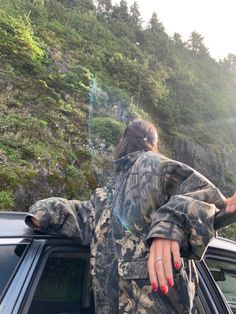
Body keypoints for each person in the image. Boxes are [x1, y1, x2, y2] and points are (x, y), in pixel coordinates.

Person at [25, 119, 228, 314]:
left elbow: (77, 216)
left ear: (123, 143)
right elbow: (208, 198)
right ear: (149, 142)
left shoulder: (104, 195)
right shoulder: (153, 165)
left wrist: (43, 212)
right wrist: (171, 225)